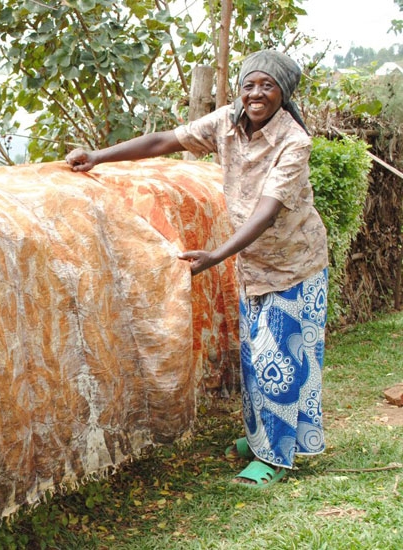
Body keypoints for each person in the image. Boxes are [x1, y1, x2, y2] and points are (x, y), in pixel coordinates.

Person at [65, 50, 328, 488]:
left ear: (285, 92)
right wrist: (98, 156)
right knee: (254, 356)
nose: (256, 93)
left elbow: (267, 210)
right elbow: (164, 141)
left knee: (278, 362)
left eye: (267, 85)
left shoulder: (294, 142)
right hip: (254, 263)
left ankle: (276, 458)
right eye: (249, 84)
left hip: (294, 262)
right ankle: (265, 436)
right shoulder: (226, 121)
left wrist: (215, 255)